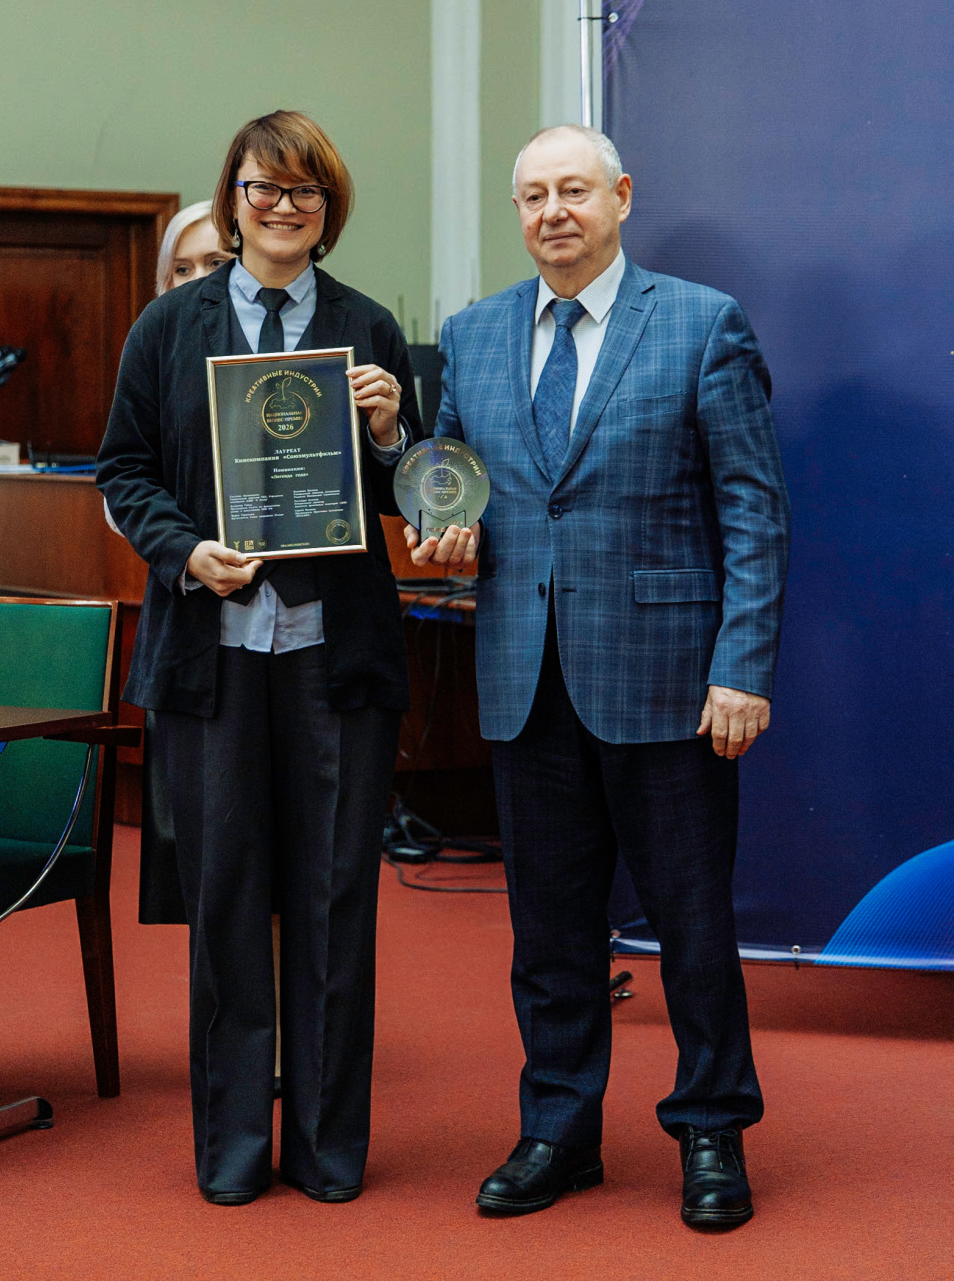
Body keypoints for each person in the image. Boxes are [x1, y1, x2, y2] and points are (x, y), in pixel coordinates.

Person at [407, 125, 790, 1229]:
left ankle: (711, 1128)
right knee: (548, 933)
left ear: (620, 196)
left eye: (573, 190)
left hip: (668, 682)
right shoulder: (473, 334)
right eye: (533, 196)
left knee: (692, 928)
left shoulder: (701, 322)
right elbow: (451, 484)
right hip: (523, 677)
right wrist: (442, 533)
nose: (553, 213)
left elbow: (752, 511)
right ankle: (559, 1131)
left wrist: (741, 666)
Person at [97, 110, 422, 1206]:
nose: (283, 207)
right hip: (215, 658)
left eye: (305, 192)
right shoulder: (168, 326)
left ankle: (327, 1149)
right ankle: (233, 1147)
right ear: (231, 199)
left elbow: (409, 494)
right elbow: (124, 470)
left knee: (335, 900)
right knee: (228, 901)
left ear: (330, 210)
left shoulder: (367, 327)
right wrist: (185, 551)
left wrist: (391, 434)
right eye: (262, 188)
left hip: (337, 661)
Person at [138, 202, 233, 925]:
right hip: (189, 629)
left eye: (216, 263)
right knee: (210, 871)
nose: (198, 278)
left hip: (293, 637)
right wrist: (186, 548)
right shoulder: (152, 346)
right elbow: (123, 482)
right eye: (183, 267)